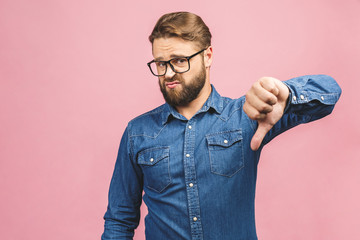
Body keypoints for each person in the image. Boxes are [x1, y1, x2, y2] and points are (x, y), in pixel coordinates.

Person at [101, 11, 341, 240]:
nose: (169, 73)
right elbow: (119, 220)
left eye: (179, 61)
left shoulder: (246, 116)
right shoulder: (138, 132)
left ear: (208, 56)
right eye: (161, 63)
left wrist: (287, 94)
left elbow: (330, 91)